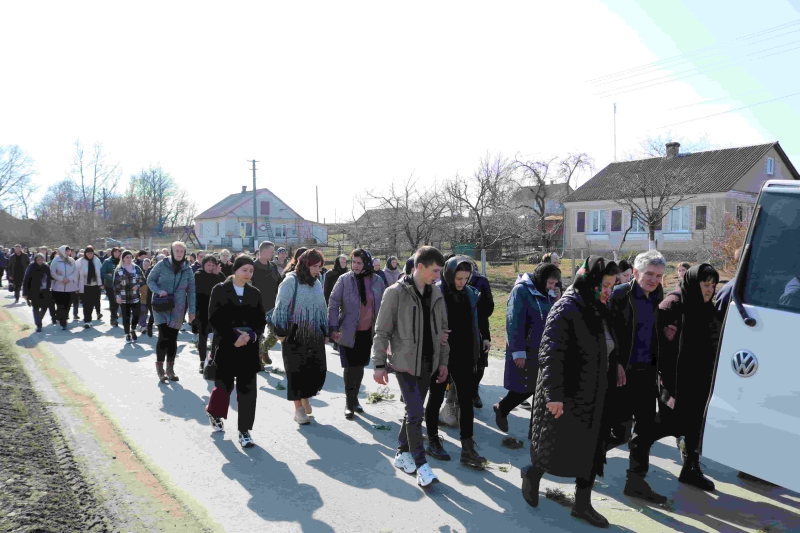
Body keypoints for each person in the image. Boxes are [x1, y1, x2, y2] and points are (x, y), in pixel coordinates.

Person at [523, 256, 620, 529]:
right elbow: (550, 353)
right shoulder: (566, 307)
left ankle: (582, 504)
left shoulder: (599, 308)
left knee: (592, 449)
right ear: (590, 281)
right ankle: (533, 474)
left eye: (612, 286)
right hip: (567, 392)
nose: (609, 291)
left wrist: (618, 367)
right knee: (555, 445)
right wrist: (553, 395)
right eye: (605, 285)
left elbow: (608, 345)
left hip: (596, 391)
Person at [372, 246, 450, 488]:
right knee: (416, 413)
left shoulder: (436, 293)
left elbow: (443, 332)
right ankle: (422, 466)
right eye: (434, 270)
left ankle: (401, 452)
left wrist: (443, 362)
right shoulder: (395, 292)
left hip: (428, 363)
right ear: (419, 267)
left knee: (412, 411)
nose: (438, 275)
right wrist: (379, 364)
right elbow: (382, 331)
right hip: (404, 364)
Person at [609, 249, 669, 504]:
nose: (654, 280)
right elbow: (606, 332)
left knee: (644, 429)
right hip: (623, 373)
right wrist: (615, 363)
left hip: (647, 373)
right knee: (619, 431)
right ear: (635, 272)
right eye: (649, 274)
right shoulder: (619, 295)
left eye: (659, 275)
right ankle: (583, 459)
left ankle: (636, 481)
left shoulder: (658, 296)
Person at [658, 263, 720, 492]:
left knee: (694, 425)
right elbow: (660, 346)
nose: (709, 290)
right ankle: (635, 469)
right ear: (694, 283)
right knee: (661, 425)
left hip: (700, 378)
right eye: (705, 285)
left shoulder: (708, 308)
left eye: (713, 285)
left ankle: (690, 469)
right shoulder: (673, 305)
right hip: (675, 379)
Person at [424, 256, 487, 467]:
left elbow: (476, 323)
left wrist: (478, 347)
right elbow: (424, 322)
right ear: (449, 275)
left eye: (466, 278)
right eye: (458, 278)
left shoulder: (470, 294)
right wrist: (436, 335)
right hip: (440, 355)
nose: (462, 282)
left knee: (466, 401)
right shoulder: (435, 292)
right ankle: (432, 439)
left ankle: (467, 448)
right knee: (436, 396)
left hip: (464, 354)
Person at [205, 255, 267, 448]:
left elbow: (260, 320)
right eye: (244, 270)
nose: (248, 274)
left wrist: (251, 336)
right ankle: (214, 413)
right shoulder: (220, 289)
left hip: (248, 348)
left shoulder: (255, 293)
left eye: (251, 271)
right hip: (226, 346)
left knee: (248, 390)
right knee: (223, 387)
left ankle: (244, 431)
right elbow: (215, 318)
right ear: (235, 270)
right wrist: (234, 338)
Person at [494, 263, 560, 433]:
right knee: (526, 387)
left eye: (555, 284)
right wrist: (518, 351)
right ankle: (503, 408)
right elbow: (513, 321)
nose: (552, 287)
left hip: (544, 349)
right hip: (527, 349)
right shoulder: (521, 291)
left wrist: (556, 299)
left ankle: (535, 433)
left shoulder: (548, 293)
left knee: (540, 389)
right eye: (550, 283)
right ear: (541, 279)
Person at [328, 249, 386, 419]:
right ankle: (349, 402)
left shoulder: (377, 281)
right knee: (349, 367)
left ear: (366, 263)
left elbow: (385, 305)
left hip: (367, 333)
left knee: (360, 366)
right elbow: (333, 303)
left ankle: (355, 399)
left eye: (359, 263)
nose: (355, 265)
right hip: (347, 331)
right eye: (353, 262)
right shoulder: (344, 280)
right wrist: (333, 327)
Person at [272, 249, 328, 425]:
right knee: (296, 373)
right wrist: (281, 332)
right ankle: (299, 410)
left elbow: (322, 307)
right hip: (294, 335)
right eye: (315, 266)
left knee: (316, 371)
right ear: (305, 264)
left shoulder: (317, 282)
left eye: (320, 266)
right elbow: (281, 307)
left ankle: (305, 397)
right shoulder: (290, 281)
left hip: (314, 335)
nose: (318, 270)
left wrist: (325, 330)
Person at [147, 241, 197, 383]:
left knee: (173, 338)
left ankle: (170, 369)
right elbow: (150, 280)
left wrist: (192, 311)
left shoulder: (188, 269)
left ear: (185, 253)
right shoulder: (162, 264)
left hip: (178, 307)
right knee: (163, 336)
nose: (179, 253)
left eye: (182, 251)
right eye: (177, 251)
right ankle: (160, 369)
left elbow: (191, 291)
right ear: (172, 252)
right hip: (161, 305)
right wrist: (158, 291)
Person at [252, 241, 283, 368]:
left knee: (275, 333)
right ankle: (258, 362)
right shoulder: (253, 267)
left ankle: (264, 349)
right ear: (263, 251)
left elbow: (280, 282)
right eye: (271, 251)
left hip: (272, 306)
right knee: (258, 335)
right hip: (257, 307)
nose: (273, 254)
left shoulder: (273, 266)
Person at [468, 259, 494, 408]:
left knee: (480, 362)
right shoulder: (450, 281)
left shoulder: (481, 281)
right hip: (458, 328)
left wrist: (485, 337)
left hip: (479, 325)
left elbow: (488, 308)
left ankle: (474, 392)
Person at [195, 255, 224, 373]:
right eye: (208, 265)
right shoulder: (198, 274)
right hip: (202, 310)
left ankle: (213, 359)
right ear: (204, 265)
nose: (211, 267)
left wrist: (217, 275)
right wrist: (215, 275)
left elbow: (225, 288)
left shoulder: (219, 275)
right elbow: (206, 289)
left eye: (213, 265)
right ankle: (202, 361)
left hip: (217, 311)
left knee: (217, 337)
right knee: (203, 336)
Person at [113, 251, 146, 344]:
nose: (128, 259)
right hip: (124, 297)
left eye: (130, 257)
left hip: (135, 296)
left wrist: (138, 285)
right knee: (126, 317)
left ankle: (133, 329)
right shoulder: (119, 269)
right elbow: (115, 285)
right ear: (123, 258)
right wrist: (117, 296)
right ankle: (127, 334)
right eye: (127, 257)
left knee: (136, 315)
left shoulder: (136, 268)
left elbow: (143, 280)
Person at [50, 246, 79, 330]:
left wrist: (69, 278)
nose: (67, 253)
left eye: (69, 251)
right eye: (66, 251)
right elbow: (52, 272)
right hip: (58, 287)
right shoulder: (56, 260)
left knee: (68, 304)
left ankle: (64, 318)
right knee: (60, 305)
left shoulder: (72, 260)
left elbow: (75, 272)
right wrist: (61, 279)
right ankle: (63, 322)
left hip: (70, 287)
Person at [22, 253, 53, 332]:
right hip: (34, 291)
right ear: (35, 260)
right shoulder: (31, 267)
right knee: (35, 307)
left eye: (41, 259)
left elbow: (50, 277)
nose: (40, 261)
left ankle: (39, 319)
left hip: (45, 290)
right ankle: (38, 324)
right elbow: (26, 280)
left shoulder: (46, 267)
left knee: (44, 307)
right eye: (38, 259)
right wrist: (24, 293)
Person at [76, 245, 104, 328]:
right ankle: (87, 321)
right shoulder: (80, 261)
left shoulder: (96, 260)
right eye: (88, 253)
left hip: (95, 285)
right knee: (86, 304)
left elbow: (100, 272)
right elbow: (76, 275)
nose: (90, 255)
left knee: (92, 303)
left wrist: (101, 283)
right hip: (85, 285)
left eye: (91, 253)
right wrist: (76, 287)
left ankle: (89, 319)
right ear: (85, 253)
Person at [102, 248, 122, 327]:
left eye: (118, 252)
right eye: (115, 252)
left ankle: (114, 316)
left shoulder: (122, 261)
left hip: (120, 285)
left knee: (117, 302)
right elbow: (103, 272)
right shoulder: (107, 261)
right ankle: (113, 318)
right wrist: (112, 278)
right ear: (112, 253)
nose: (117, 254)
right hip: (110, 285)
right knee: (112, 302)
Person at [137, 258, 152, 333]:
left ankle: (148, 324)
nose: (146, 266)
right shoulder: (139, 272)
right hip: (141, 295)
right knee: (143, 311)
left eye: (147, 265)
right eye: (145, 265)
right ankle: (143, 325)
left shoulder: (152, 271)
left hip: (150, 295)